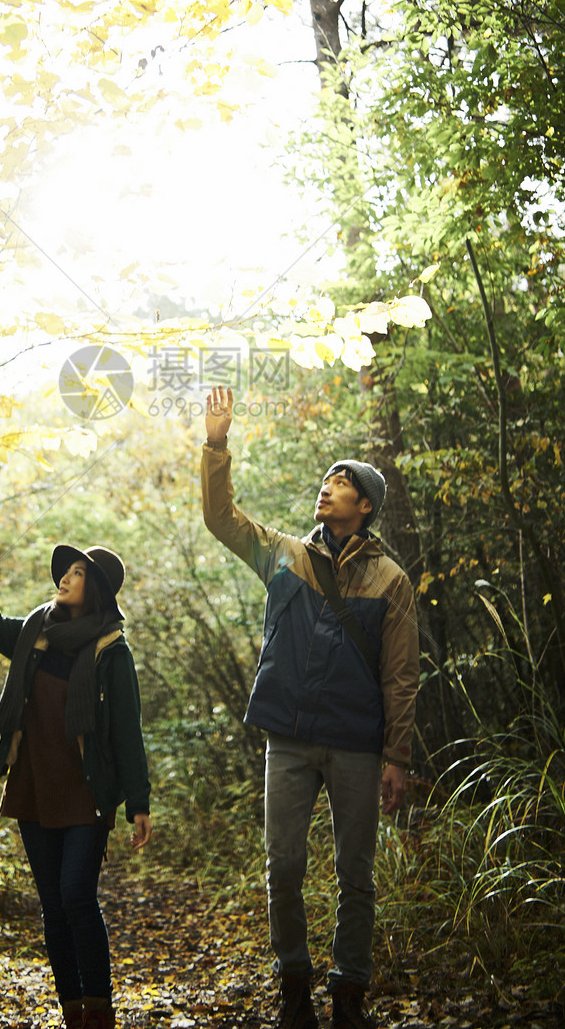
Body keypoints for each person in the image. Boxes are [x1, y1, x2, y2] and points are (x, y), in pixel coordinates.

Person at [201, 387, 419, 1029]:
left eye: (340, 482)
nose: (326, 489)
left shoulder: (392, 581)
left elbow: (401, 676)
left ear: (367, 504)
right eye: (325, 481)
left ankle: (349, 993)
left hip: (356, 744)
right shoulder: (285, 555)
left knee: (356, 873)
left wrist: (396, 756)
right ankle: (294, 982)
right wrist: (216, 445)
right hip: (290, 739)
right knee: (285, 866)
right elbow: (222, 519)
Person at [0, 512, 152, 1029]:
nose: (64, 577)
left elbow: (127, 730)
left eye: (76, 572)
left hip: (86, 791)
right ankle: (73, 1011)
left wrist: (138, 802)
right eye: (65, 570)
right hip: (34, 784)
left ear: (94, 589)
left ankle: (99, 1010)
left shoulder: (110, 651)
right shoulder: (34, 634)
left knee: (77, 895)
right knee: (53, 906)